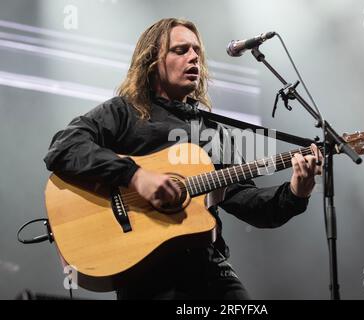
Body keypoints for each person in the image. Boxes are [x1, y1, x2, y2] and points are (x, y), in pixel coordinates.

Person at [44, 18, 322, 300]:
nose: (194, 58)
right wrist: (135, 176)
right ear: (152, 61)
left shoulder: (214, 131)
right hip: (146, 273)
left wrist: (296, 192)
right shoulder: (124, 112)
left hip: (208, 267)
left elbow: (245, 201)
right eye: (181, 50)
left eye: (197, 52)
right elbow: (64, 147)